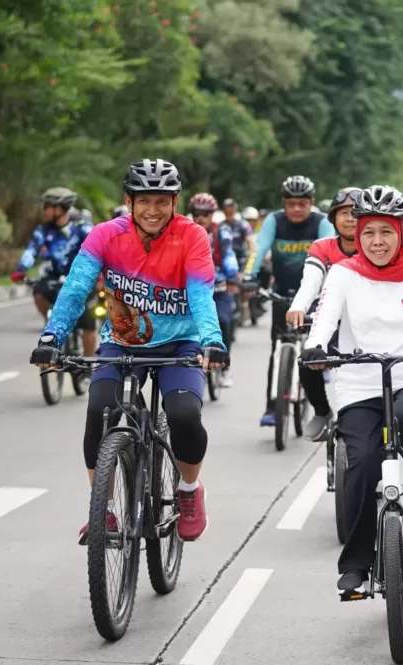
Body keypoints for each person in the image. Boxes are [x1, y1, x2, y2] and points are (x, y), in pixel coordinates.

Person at [30, 159, 226, 544]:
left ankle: (189, 490)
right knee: (98, 407)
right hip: (122, 342)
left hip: (180, 343)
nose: (152, 210)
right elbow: (75, 287)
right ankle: (102, 510)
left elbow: (202, 294)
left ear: (175, 201)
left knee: (184, 414)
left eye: (162, 201)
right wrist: (51, 337)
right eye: (144, 201)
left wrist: (211, 340)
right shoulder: (105, 235)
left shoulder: (192, 236)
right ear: (129, 201)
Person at [299, 185, 403, 597]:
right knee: (361, 464)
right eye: (369, 232)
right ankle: (356, 563)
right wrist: (315, 348)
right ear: (358, 234)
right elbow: (324, 318)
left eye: (387, 232)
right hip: (358, 382)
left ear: (402, 232)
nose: (377, 241)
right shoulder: (343, 273)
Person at [243, 175, 335, 427]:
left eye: (302, 204)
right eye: (291, 203)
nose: (296, 209)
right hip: (282, 294)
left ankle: (317, 379)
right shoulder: (274, 221)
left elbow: (331, 253)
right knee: (278, 349)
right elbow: (259, 248)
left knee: (314, 346)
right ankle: (272, 407)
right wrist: (249, 276)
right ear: (284, 203)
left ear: (311, 202)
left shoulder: (322, 223)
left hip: (315, 297)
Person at [285, 187, 360, 440]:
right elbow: (311, 281)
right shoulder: (322, 247)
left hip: (367, 319)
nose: (350, 218)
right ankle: (322, 411)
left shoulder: (375, 247)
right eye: (344, 213)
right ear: (333, 218)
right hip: (327, 314)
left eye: (356, 213)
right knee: (307, 359)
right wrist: (298, 307)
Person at [11, 187, 98, 357]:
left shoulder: (82, 227)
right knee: (38, 291)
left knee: (87, 321)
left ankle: (88, 364)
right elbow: (32, 249)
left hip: (83, 277)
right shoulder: (44, 229)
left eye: (47, 207)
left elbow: (97, 249)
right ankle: (49, 319)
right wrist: (21, 269)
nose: (44, 211)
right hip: (55, 275)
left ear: (60, 208)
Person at [191, 193, 239, 387]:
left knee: (225, 321)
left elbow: (228, 255)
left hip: (219, 288)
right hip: (193, 290)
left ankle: (225, 366)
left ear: (213, 215)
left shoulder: (222, 232)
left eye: (206, 214)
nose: (201, 218)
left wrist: (233, 275)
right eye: (197, 213)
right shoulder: (186, 233)